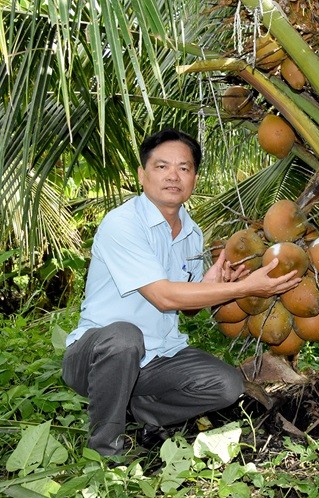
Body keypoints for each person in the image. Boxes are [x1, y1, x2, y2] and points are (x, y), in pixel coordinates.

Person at [62, 129, 301, 457]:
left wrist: (211, 286)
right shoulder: (122, 224)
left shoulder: (192, 233)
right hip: (95, 356)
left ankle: (139, 416)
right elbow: (164, 297)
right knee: (124, 337)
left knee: (226, 385)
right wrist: (247, 287)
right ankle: (105, 450)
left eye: (184, 168)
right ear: (142, 175)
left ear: (194, 178)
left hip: (157, 358)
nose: (173, 176)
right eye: (161, 167)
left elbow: (185, 308)